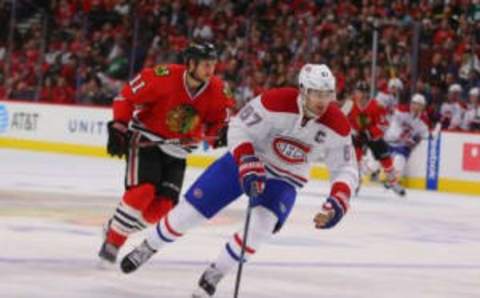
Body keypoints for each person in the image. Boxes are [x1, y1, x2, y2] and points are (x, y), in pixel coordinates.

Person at [118, 64, 359, 297]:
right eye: (316, 93)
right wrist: (247, 160)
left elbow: (346, 168)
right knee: (189, 214)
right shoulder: (274, 101)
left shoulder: (337, 124)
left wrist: (338, 200)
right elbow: (239, 128)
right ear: (303, 90)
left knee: (259, 230)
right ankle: (148, 247)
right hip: (245, 161)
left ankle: (215, 273)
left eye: (327, 94)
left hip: (285, 178)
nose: (322, 101)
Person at [98, 41, 234, 264]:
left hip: (178, 152)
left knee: (161, 209)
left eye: (213, 65)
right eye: (206, 65)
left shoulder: (218, 90)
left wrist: (219, 133)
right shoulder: (162, 76)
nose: (211, 70)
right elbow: (126, 97)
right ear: (190, 63)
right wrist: (119, 126)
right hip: (147, 140)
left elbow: (218, 123)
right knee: (143, 192)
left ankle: (115, 227)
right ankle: (113, 242)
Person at [345, 81, 406, 196]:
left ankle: (392, 182)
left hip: (373, 137)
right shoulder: (349, 104)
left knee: (385, 157)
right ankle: (356, 181)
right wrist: (353, 131)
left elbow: (383, 124)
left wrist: (369, 133)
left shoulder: (377, 106)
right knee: (354, 158)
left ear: (368, 93)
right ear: (355, 93)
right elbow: (341, 119)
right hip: (357, 135)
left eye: (365, 92)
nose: (362, 95)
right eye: (359, 92)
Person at [384, 93, 430, 180]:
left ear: (423, 107)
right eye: (414, 103)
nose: (415, 106)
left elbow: (421, 136)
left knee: (399, 161)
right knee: (373, 164)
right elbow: (386, 112)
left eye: (418, 105)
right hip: (388, 140)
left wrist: (414, 143)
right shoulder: (401, 109)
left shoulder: (424, 121)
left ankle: (393, 181)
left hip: (403, 145)